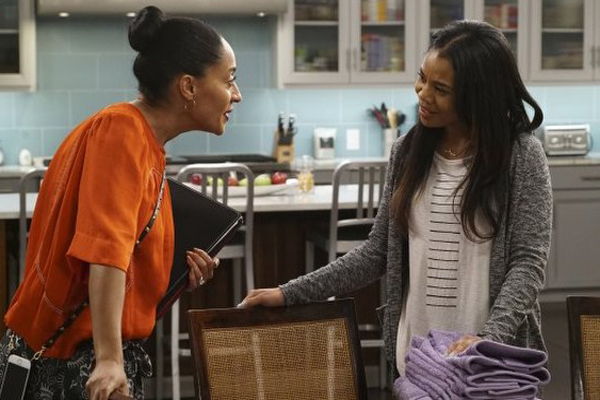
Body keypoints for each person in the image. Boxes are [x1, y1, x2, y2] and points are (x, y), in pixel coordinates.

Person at [241, 19, 552, 380]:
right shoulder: (408, 151)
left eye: (440, 88)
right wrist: (289, 293)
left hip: (490, 364)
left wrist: (487, 340)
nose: (422, 94)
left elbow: (527, 264)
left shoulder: (521, 156)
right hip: (416, 358)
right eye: (422, 78)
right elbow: (377, 253)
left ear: (477, 95)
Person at [0, 5, 241, 400]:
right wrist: (110, 359)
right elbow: (105, 251)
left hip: (85, 359)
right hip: (70, 366)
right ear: (188, 87)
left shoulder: (146, 143)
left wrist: (176, 271)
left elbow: (125, 252)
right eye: (229, 79)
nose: (236, 94)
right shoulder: (122, 131)